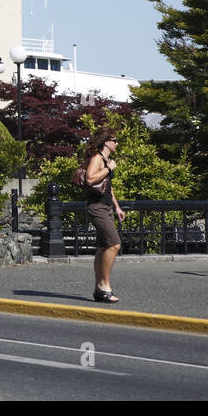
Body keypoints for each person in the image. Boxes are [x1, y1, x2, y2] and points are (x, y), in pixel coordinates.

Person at [83, 127, 125, 303]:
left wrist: (117, 207)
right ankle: (104, 285)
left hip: (106, 206)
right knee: (114, 245)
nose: (117, 144)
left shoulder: (106, 159)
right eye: (115, 141)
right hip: (97, 206)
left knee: (102, 248)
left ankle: (98, 289)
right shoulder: (98, 158)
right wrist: (108, 168)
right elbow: (90, 179)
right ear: (106, 142)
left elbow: (108, 186)